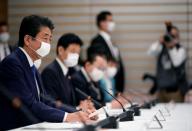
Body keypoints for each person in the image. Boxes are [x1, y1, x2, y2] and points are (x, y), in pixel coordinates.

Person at [0, 15, 91, 129]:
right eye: (45, 38)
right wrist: (67, 117)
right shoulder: (12, 63)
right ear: (28, 40)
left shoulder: (31, 64)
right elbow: (29, 103)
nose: (48, 44)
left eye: (50, 39)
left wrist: (77, 112)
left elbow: (45, 100)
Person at [41, 33, 95, 113]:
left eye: (78, 53)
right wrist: (77, 109)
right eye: (73, 51)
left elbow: (70, 101)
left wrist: (84, 105)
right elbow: (52, 104)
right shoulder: (50, 72)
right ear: (61, 50)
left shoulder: (71, 71)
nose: (76, 56)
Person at [144, 22, 189, 102]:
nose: (171, 37)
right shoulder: (161, 47)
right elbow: (150, 52)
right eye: (170, 35)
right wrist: (159, 42)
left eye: (174, 36)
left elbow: (176, 63)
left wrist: (171, 47)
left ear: (178, 37)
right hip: (161, 91)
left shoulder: (180, 49)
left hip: (175, 92)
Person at [71, 45, 126, 109]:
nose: (101, 72)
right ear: (88, 65)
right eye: (99, 68)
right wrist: (109, 105)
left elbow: (99, 100)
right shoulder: (77, 79)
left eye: (103, 69)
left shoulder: (94, 79)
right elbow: (87, 103)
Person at [90, 11, 125, 93]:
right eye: (110, 20)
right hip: (106, 86)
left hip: (116, 84)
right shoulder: (97, 41)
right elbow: (99, 65)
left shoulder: (110, 41)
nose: (112, 23)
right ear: (102, 23)